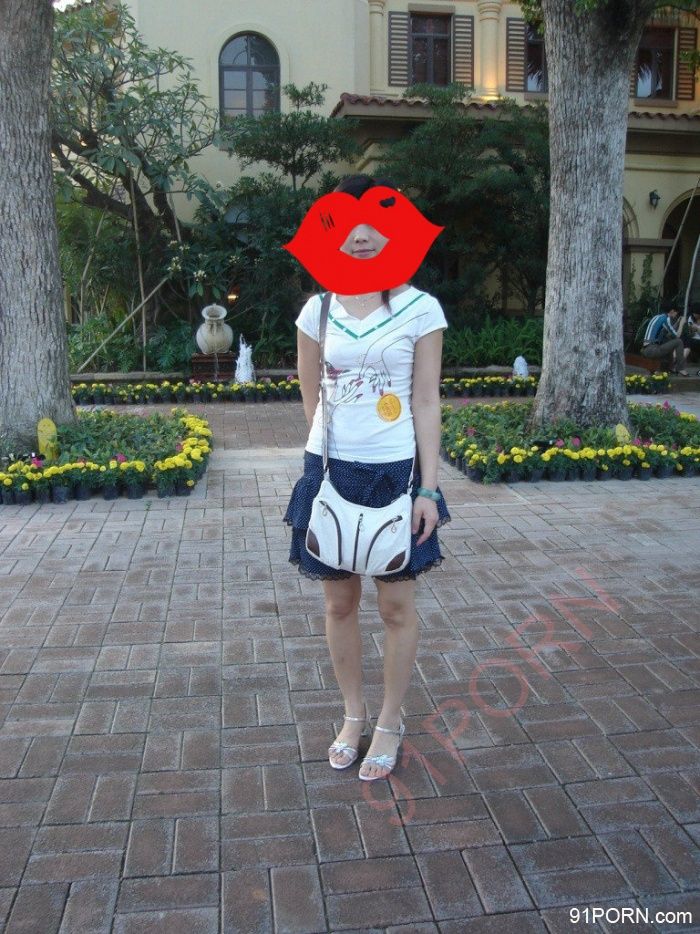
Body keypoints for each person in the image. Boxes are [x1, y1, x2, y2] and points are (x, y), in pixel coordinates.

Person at [284, 174, 450, 781]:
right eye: (347, 223)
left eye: (373, 224)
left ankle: (389, 720)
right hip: (330, 469)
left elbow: (426, 400)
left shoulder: (420, 308)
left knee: (397, 606)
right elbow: (311, 393)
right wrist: (327, 449)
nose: (360, 235)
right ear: (331, 232)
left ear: (392, 231)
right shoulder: (319, 309)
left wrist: (427, 487)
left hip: (397, 473)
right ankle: (352, 714)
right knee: (339, 601)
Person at [641, 305, 689, 374]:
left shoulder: (657, 317)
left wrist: (678, 322)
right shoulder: (666, 319)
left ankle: (669, 368)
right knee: (679, 342)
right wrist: (681, 324)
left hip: (646, 349)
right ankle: (681, 368)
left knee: (670, 341)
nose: (676, 316)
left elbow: (670, 333)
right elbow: (677, 336)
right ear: (672, 311)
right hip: (652, 349)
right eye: (676, 313)